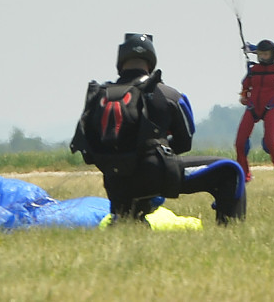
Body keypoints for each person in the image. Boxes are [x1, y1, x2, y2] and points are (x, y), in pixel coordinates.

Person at [71, 33, 246, 225]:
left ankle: (126, 217)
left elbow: (88, 149)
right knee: (231, 171)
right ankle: (230, 232)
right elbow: (184, 142)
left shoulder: (99, 96)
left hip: (115, 184)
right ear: (151, 59)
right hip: (156, 176)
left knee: (129, 217)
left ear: (121, 60)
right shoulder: (167, 94)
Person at [234, 39, 274, 188]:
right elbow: (245, 86)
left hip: (271, 107)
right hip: (252, 107)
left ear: (272, 54)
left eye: (266, 54)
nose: (262, 57)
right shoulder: (253, 71)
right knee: (240, 142)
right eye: (260, 54)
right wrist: (243, 96)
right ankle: (244, 176)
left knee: (271, 144)